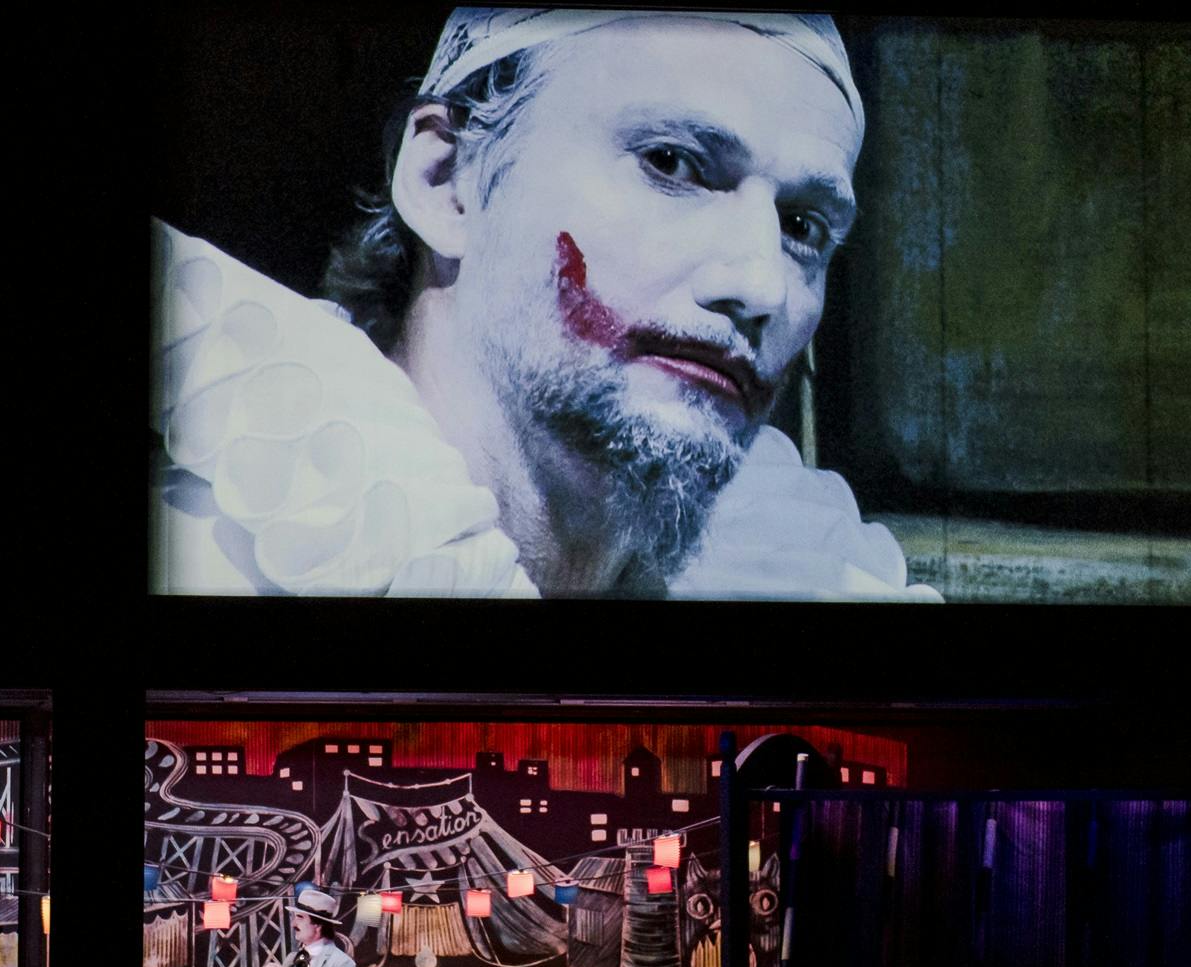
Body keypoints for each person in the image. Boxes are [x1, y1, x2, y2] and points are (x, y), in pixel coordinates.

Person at [152, 8, 938, 602]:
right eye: (672, 164)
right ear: (446, 182)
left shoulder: (806, 581)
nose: (762, 284)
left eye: (802, 227)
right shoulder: (205, 561)